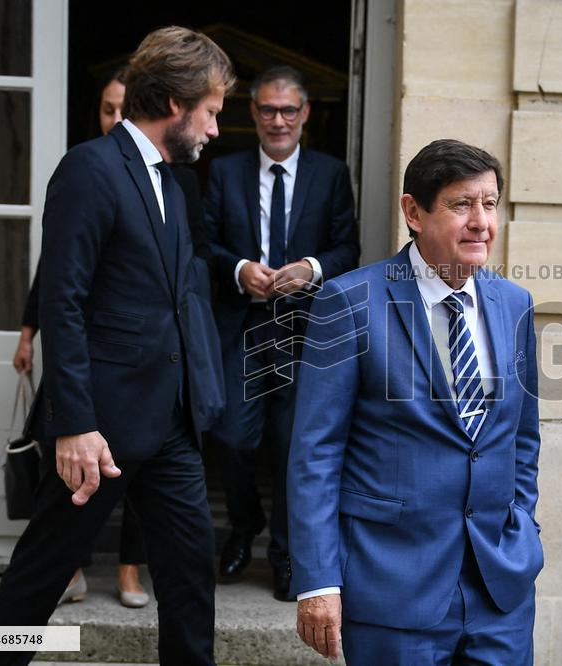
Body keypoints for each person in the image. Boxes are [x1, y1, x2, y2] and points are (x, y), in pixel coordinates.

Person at [0, 26, 234, 666]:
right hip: (99, 430)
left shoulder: (175, 187)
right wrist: (75, 424)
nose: (213, 129)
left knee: (188, 578)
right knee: (41, 574)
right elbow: (62, 302)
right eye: (210, 112)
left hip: (172, 425)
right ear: (176, 103)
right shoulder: (90, 169)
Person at [287, 139, 544, 664]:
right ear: (413, 211)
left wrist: (523, 526)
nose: (481, 223)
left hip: (500, 589)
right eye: (461, 205)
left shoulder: (515, 304)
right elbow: (315, 454)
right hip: (392, 588)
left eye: (490, 204)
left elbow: (523, 439)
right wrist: (318, 581)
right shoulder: (350, 302)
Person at [204, 64, 358, 600]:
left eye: (288, 110)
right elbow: (205, 246)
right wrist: (240, 269)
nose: (277, 120)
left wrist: (312, 268)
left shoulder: (331, 174)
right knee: (231, 437)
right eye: (267, 109)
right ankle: (244, 525)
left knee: (296, 445)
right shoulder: (223, 172)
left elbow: (347, 248)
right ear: (252, 112)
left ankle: (286, 555)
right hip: (244, 325)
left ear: (305, 114)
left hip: (306, 330)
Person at [12, 66, 150, 610]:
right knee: (60, 463)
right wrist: (27, 333)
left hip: (131, 360)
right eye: (106, 109)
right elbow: (54, 272)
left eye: (123, 109)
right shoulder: (85, 169)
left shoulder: (154, 177)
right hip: (76, 347)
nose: (114, 118)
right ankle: (67, 568)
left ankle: (130, 571)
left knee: (136, 471)